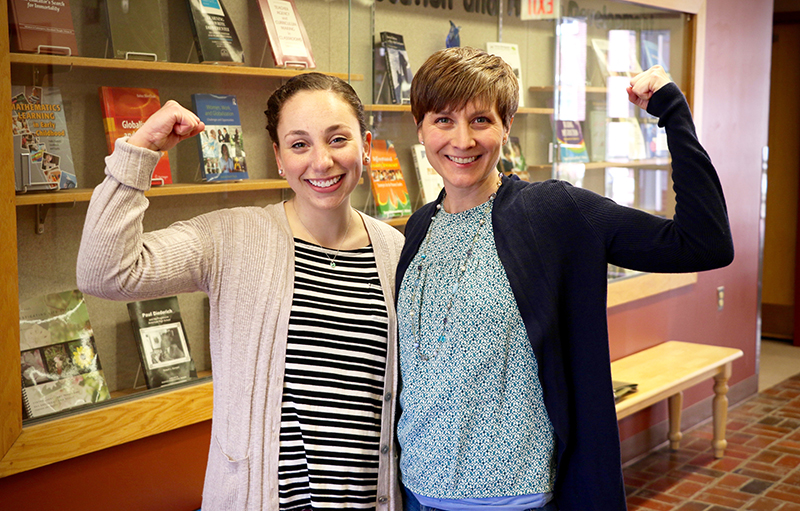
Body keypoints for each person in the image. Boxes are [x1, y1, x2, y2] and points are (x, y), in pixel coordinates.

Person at [395, 47, 733, 511]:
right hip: (417, 490)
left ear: (506, 127)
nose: (462, 140)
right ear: (421, 128)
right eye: (443, 120)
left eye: (480, 121)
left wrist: (673, 113)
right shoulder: (418, 228)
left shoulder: (551, 211)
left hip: (513, 497)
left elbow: (703, 242)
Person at [76, 72, 405, 510]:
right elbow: (105, 272)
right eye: (300, 144)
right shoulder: (232, 237)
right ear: (279, 156)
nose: (321, 161)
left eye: (337, 139)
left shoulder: (395, 250)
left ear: (365, 145)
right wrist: (140, 152)